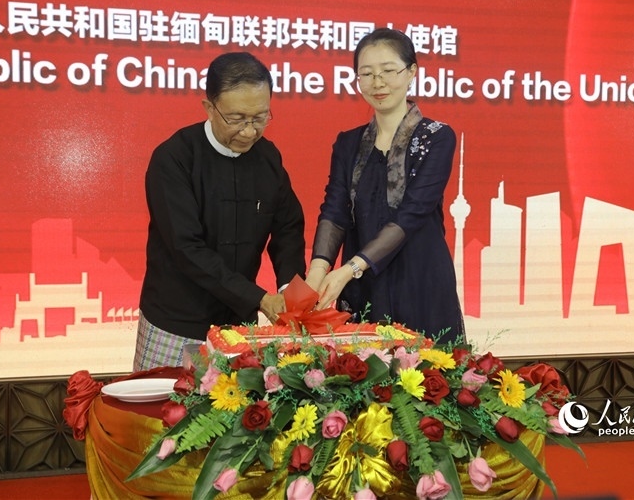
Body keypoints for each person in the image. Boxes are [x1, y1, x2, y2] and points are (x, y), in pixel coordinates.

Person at [134, 52, 306, 371]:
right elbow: (187, 248)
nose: (249, 131)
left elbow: (288, 228)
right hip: (176, 322)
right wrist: (260, 299)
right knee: (164, 403)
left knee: (232, 402)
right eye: (237, 119)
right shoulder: (174, 159)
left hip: (237, 325)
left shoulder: (268, 158)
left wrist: (290, 290)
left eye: (260, 117)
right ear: (209, 108)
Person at [306, 28, 464, 343]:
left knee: (426, 370)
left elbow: (412, 212)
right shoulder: (348, 143)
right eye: (366, 74)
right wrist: (317, 274)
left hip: (419, 279)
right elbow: (335, 211)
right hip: (363, 285)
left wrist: (349, 269)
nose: (377, 83)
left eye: (388, 71)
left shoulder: (437, 137)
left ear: (412, 72)